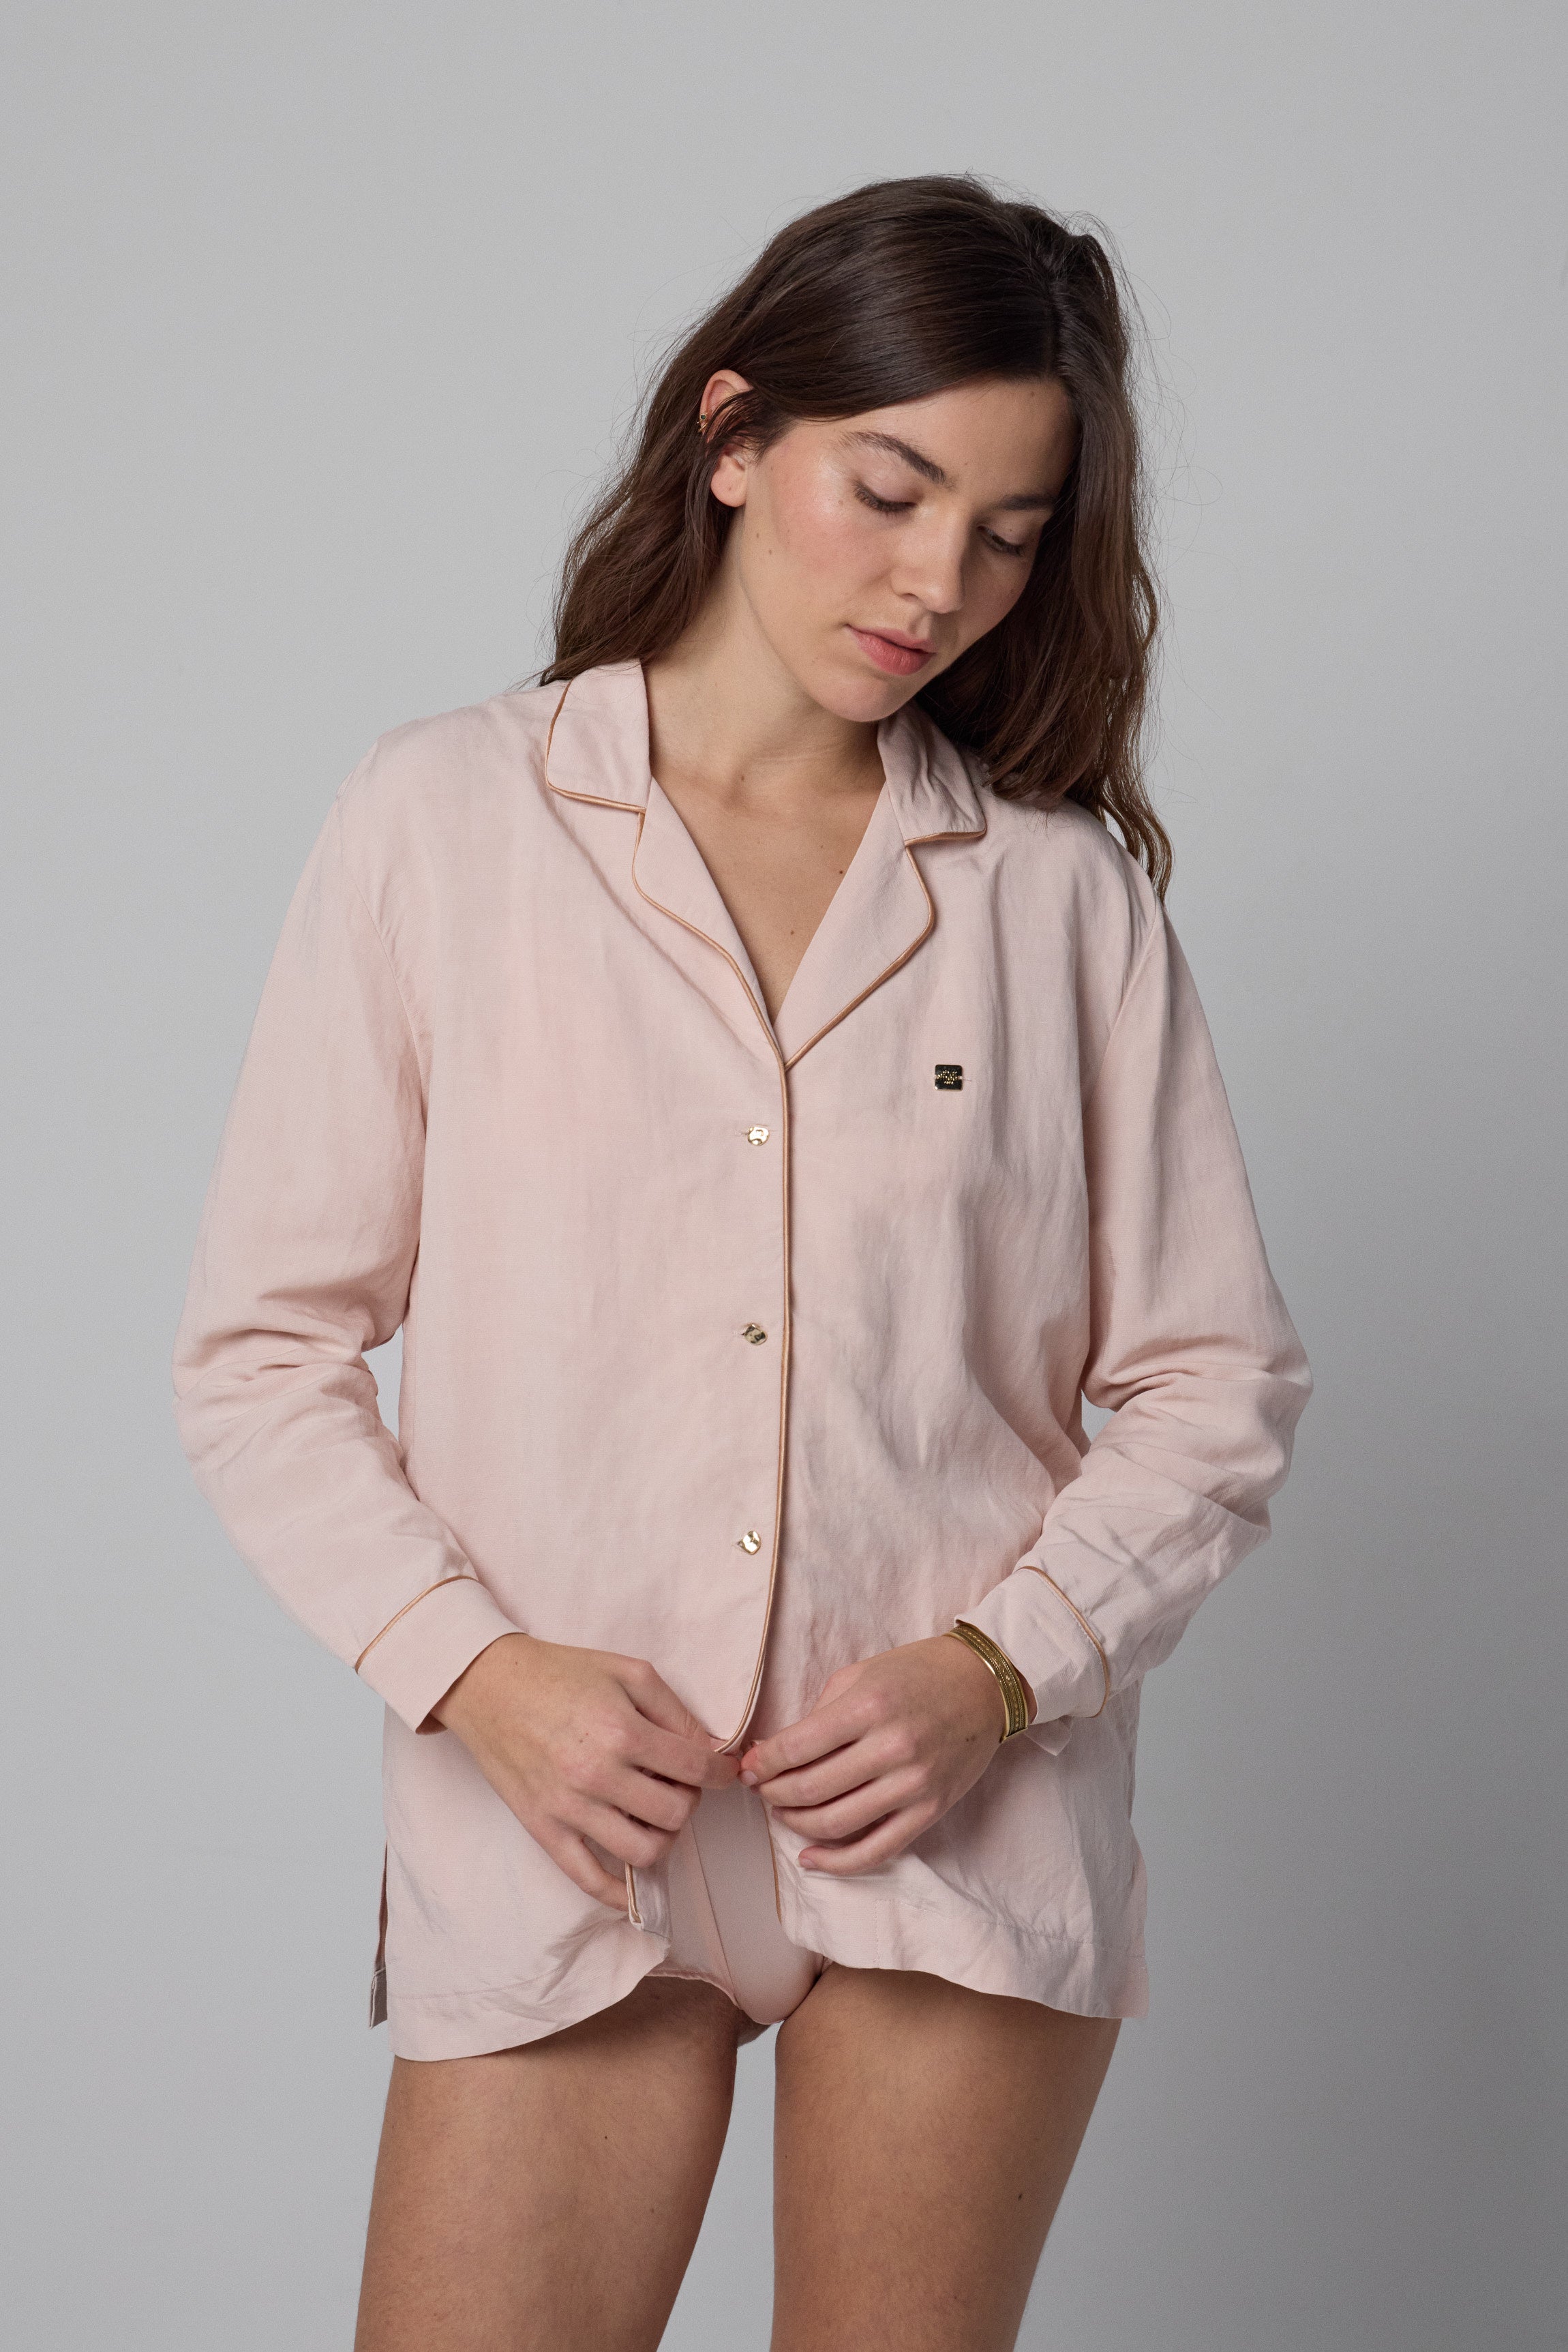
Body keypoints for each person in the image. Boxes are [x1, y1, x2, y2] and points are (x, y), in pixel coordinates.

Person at [172, 173, 1310, 2352]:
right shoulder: (445, 822)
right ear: (729, 435)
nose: (936, 583)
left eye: (1007, 532)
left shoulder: (1057, 898)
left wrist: (999, 1669)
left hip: (957, 1818)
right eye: (888, 491)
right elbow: (263, 1348)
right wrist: (473, 1671)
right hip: (560, 1819)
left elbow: (1212, 1379)